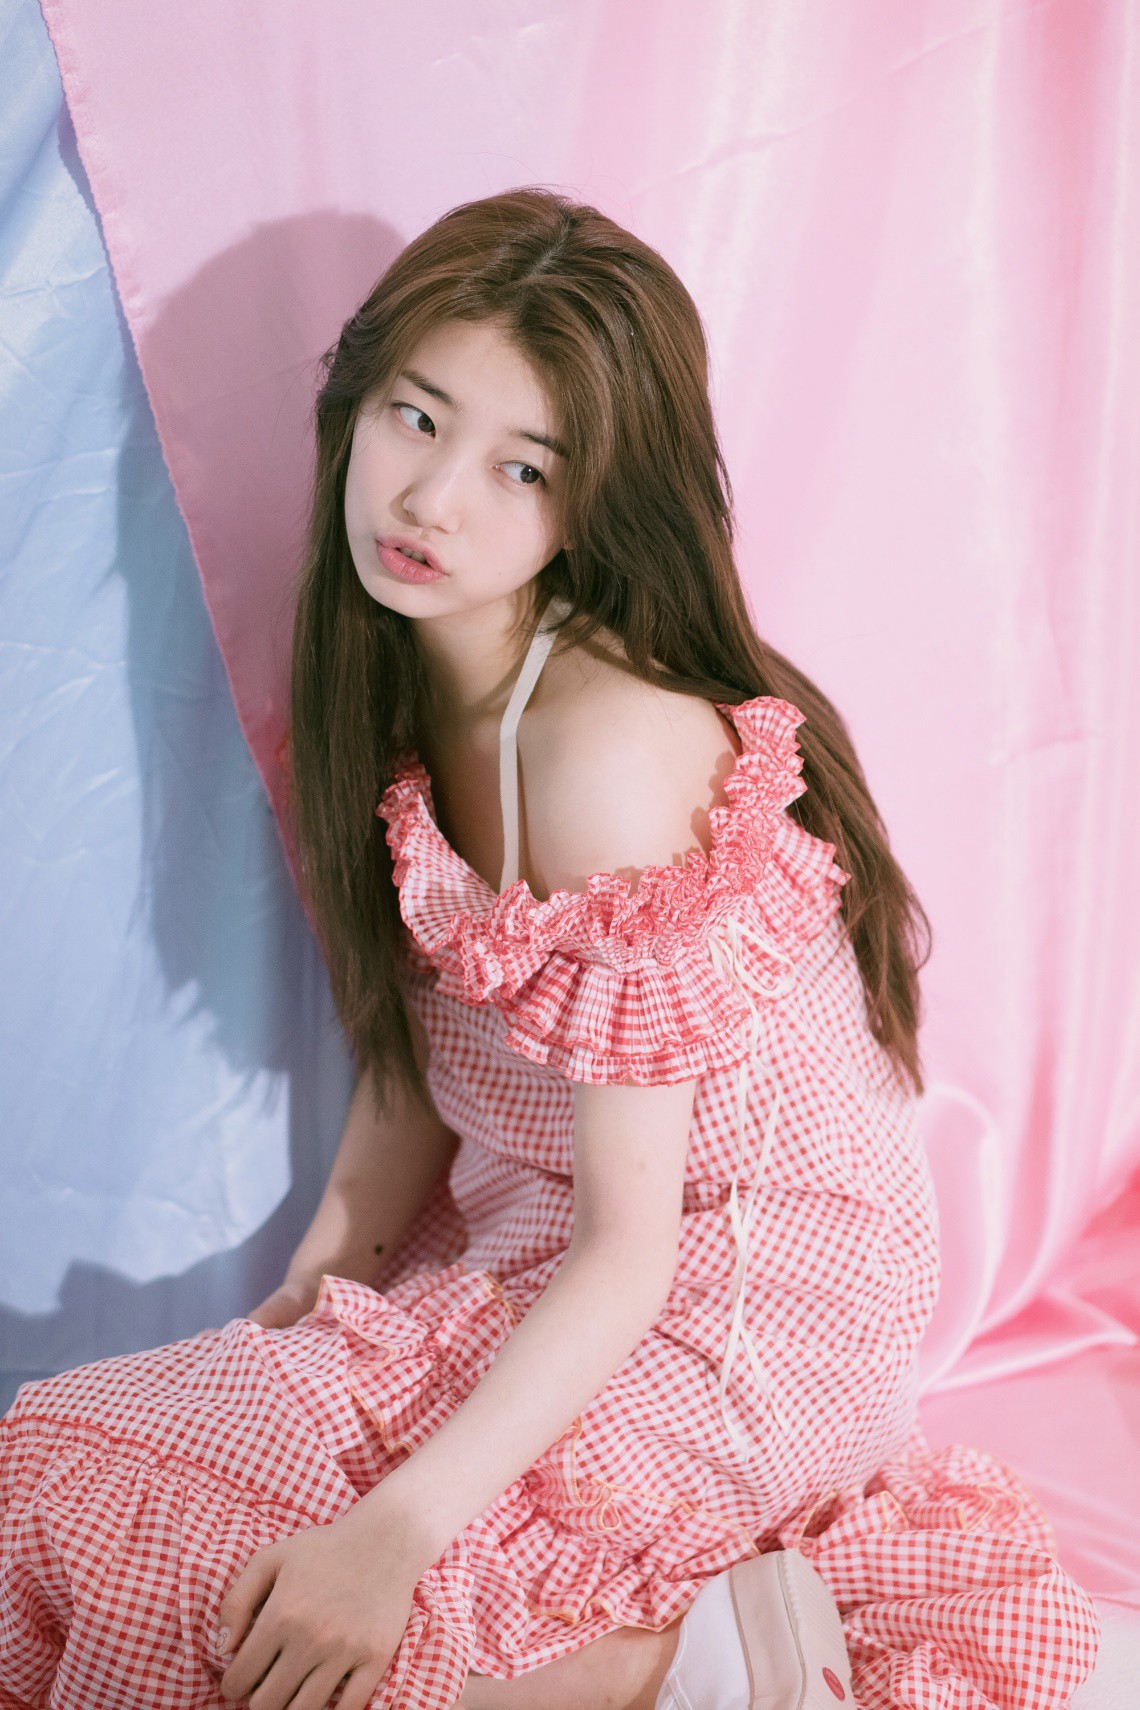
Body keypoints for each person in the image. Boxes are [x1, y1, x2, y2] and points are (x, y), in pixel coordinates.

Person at [0, 187, 1098, 1710]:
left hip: (742, 1308)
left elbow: (634, 1248)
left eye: (522, 468)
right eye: (417, 417)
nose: (432, 500)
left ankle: (685, 1656)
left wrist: (391, 1534)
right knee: (68, 1488)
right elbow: (410, 1073)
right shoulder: (395, 682)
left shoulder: (604, 750)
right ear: (355, 403)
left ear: (592, 508)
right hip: (534, 1252)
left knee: (291, 1634)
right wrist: (292, 1323)